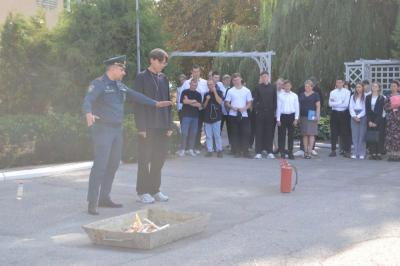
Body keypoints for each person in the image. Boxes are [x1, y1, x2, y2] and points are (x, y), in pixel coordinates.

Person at [82, 55, 172, 215]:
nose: (124, 72)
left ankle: (104, 197)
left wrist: (156, 103)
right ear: (113, 68)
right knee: (100, 165)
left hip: (117, 130)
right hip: (103, 130)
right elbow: (88, 100)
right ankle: (92, 201)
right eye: (122, 69)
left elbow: (136, 95)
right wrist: (88, 112)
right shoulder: (99, 83)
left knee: (113, 164)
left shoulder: (119, 86)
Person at [133, 48, 173, 204]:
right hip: (147, 126)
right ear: (153, 60)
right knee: (144, 159)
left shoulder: (164, 78)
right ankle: (142, 191)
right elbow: (138, 102)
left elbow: (168, 101)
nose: (163, 65)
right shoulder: (141, 77)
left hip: (162, 125)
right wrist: (141, 127)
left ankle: (155, 190)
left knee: (159, 159)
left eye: (164, 63)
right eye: (161, 62)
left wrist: (169, 124)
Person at [181, 65, 209, 154]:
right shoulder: (186, 83)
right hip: (187, 111)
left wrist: (191, 101)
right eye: (194, 71)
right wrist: (193, 102)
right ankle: (185, 148)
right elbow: (183, 98)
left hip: (201, 109)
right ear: (191, 72)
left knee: (197, 129)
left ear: (200, 72)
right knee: (186, 130)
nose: (196, 73)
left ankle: (196, 147)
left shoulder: (205, 82)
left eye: (197, 71)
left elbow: (203, 98)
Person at [225, 73, 253, 158]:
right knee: (235, 133)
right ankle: (236, 151)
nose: (236, 81)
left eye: (237, 79)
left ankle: (245, 151)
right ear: (232, 81)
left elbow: (250, 102)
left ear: (241, 79)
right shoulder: (230, 91)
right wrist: (232, 107)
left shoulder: (247, 90)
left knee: (245, 133)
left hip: (244, 115)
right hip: (233, 115)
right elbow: (226, 103)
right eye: (234, 80)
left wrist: (245, 108)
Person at [295, 77, 324, 157]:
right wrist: (297, 117)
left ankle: (310, 151)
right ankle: (305, 151)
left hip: (312, 116)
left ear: (312, 87)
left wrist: (317, 116)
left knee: (311, 134)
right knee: (304, 134)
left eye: (308, 86)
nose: (306, 88)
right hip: (303, 116)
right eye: (305, 86)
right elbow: (298, 106)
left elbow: (318, 106)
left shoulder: (316, 95)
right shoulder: (301, 95)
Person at [252, 71, 277, 159]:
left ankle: (269, 151)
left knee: (269, 132)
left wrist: (274, 111)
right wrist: (257, 110)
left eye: (266, 76)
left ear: (268, 77)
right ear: (261, 78)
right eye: (263, 77)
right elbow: (254, 101)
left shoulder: (273, 87)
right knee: (259, 132)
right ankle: (258, 152)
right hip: (260, 113)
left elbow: (275, 100)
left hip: (270, 113)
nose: (264, 78)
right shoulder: (257, 87)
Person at [177, 79, 202, 157]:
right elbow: (183, 102)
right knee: (184, 133)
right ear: (190, 84)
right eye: (193, 84)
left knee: (193, 133)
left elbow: (199, 105)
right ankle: (182, 150)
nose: (194, 86)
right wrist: (193, 101)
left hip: (195, 116)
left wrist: (189, 101)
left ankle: (190, 149)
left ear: (197, 85)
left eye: (195, 85)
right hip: (186, 115)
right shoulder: (185, 92)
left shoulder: (198, 94)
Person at [276, 80, 299, 160]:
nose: (287, 87)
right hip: (283, 116)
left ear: (291, 86)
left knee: (291, 136)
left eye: (288, 85)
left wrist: (296, 119)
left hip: (291, 116)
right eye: (285, 86)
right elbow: (278, 107)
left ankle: (290, 152)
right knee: (281, 135)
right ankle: (282, 152)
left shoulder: (294, 95)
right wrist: (278, 119)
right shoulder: (280, 95)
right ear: (283, 87)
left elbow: (297, 108)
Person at [328, 79, 351, 158]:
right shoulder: (332, 92)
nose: (339, 84)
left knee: (345, 133)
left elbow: (345, 105)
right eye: (337, 82)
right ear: (336, 83)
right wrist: (340, 102)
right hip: (334, 114)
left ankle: (346, 151)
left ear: (343, 83)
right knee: (333, 132)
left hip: (344, 114)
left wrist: (336, 103)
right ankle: (333, 150)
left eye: (340, 82)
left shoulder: (347, 92)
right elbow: (330, 104)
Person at [203, 79, 224, 157]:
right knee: (208, 135)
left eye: (211, 84)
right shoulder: (206, 94)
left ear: (214, 85)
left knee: (217, 135)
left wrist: (215, 92)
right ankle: (209, 150)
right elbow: (204, 106)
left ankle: (219, 150)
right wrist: (207, 100)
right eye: (208, 85)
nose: (210, 86)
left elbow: (220, 102)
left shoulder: (219, 92)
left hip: (217, 117)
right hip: (207, 117)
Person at [366, 82, 385, 160]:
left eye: (376, 86)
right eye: (373, 86)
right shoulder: (368, 97)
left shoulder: (382, 98)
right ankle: (372, 153)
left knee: (379, 136)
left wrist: (376, 122)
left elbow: (381, 111)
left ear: (379, 88)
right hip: (370, 119)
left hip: (379, 120)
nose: (374, 87)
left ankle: (379, 153)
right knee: (371, 136)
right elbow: (367, 110)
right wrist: (370, 121)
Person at [349, 82, 367, 159]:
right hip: (354, 116)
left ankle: (362, 152)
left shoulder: (366, 96)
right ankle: (355, 152)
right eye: (357, 87)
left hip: (362, 116)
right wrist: (354, 116)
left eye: (359, 87)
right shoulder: (353, 96)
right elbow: (350, 107)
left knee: (362, 135)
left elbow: (365, 109)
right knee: (355, 135)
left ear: (362, 88)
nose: (358, 88)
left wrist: (359, 116)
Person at [384, 80, 400, 161]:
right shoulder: (388, 97)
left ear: (398, 87)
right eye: (391, 86)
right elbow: (385, 108)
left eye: (394, 86)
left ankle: (398, 155)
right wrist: (392, 107)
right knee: (390, 137)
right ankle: (391, 155)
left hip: (398, 120)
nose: (393, 87)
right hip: (391, 119)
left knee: (397, 138)